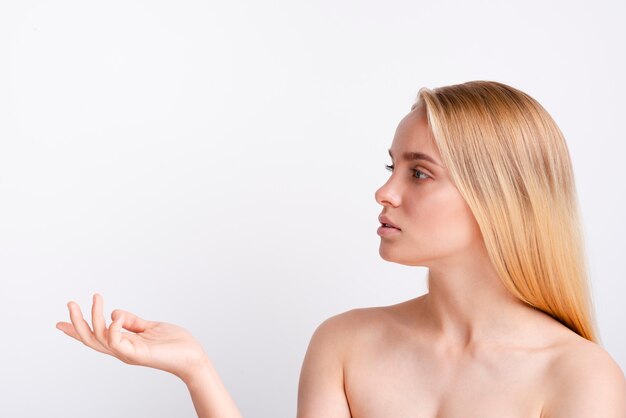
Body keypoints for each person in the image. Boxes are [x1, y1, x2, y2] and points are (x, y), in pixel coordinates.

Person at [56, 80, 626, 417]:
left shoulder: (580, 379)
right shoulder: (347, 342)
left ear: (499, 197)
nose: (384, 191)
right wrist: (197, 371)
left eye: (419, 173)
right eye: (391, 167)